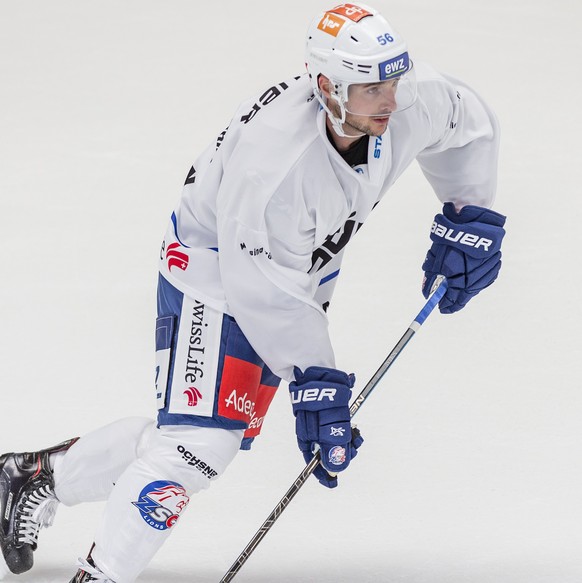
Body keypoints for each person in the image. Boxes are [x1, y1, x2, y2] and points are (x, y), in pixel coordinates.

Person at [0, 3, 506, 582]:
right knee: (198, 444)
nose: (390, 98)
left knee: (201, 433)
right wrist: (316, 380)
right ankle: (103, 572)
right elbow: (260, 291)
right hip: (216, 279)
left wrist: (472, 212)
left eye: (391, 79)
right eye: (371, 88)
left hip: (290, 278)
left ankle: (37, 475)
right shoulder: (274, 172)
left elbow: (465, 120)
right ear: (326, 86)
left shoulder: (401, 99)